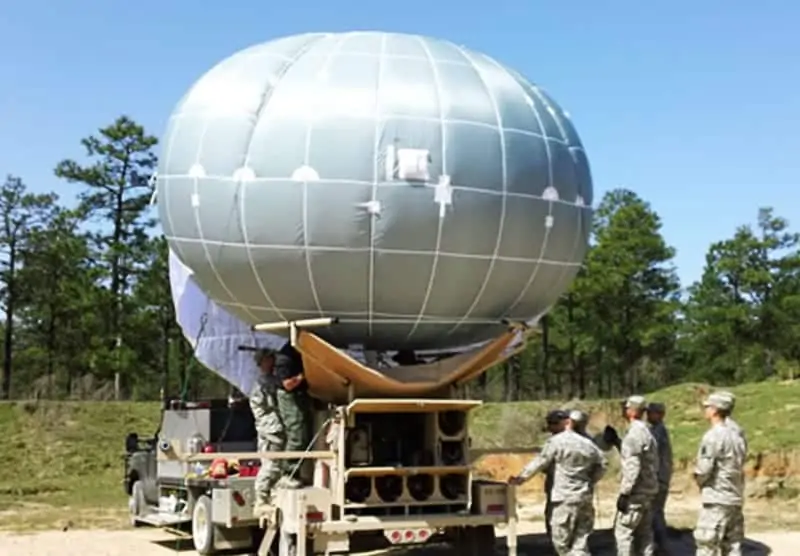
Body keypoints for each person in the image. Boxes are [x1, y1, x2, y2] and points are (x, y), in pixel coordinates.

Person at [509, 413, 607, 555]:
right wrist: (591, 481)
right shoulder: (587, 443)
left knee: (561, 542)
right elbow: (603, 463)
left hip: (563, 499)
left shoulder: (556, 442)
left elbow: (540, 461)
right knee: (580, 543)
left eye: (552, 424)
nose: (550, 428)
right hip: (584, 496)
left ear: (564, 423)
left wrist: (521, 478)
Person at [693, 392, 746, 556]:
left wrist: (699, 480)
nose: (705, 409)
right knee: (732, 547)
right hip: (734, 497)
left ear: (715, 410)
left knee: (707, 546)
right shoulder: (738, 437)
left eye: (707, 406)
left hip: (716, 499)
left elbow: (704, 470)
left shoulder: (713, 436)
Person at [615, 395, 660, 556]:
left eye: (626, 408)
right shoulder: (647, 432)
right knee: (645, 533)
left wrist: (625, 493)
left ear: (632, 411)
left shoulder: (634, 434)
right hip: (648, 491)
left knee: (624, 533)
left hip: (636, 493)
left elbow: (633, 466)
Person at [249, 348, 287, 515]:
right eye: (269, 359)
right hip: (271, 428)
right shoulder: (264, 384)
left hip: (273, 427)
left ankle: (270, 496)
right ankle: (261, 499)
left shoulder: (269, 380)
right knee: (272, 464)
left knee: (276, 463)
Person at [273, 342, 313, 484]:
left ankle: (298, 472)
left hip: (301, 394)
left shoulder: (299, 353)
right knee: (297, 434)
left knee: (305, 433)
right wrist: (302, 377)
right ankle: (288, 473)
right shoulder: (286, 358)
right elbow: (288, 384)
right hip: (289, 396)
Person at [647, 402, 673, 555]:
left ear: (660, 414)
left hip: (658, 479)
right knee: (656, 512)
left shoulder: (658, 431)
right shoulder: (656, 430)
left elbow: (647, 449)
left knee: (654, 513)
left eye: (651, 413)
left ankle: (662, 546)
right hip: (660, 477)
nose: (648, 416)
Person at [541, 409, 568, 541]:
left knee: (555, 519)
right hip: (575, 490)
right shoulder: (579, 439)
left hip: (557, 489)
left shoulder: (553, 442)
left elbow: (543, 464)